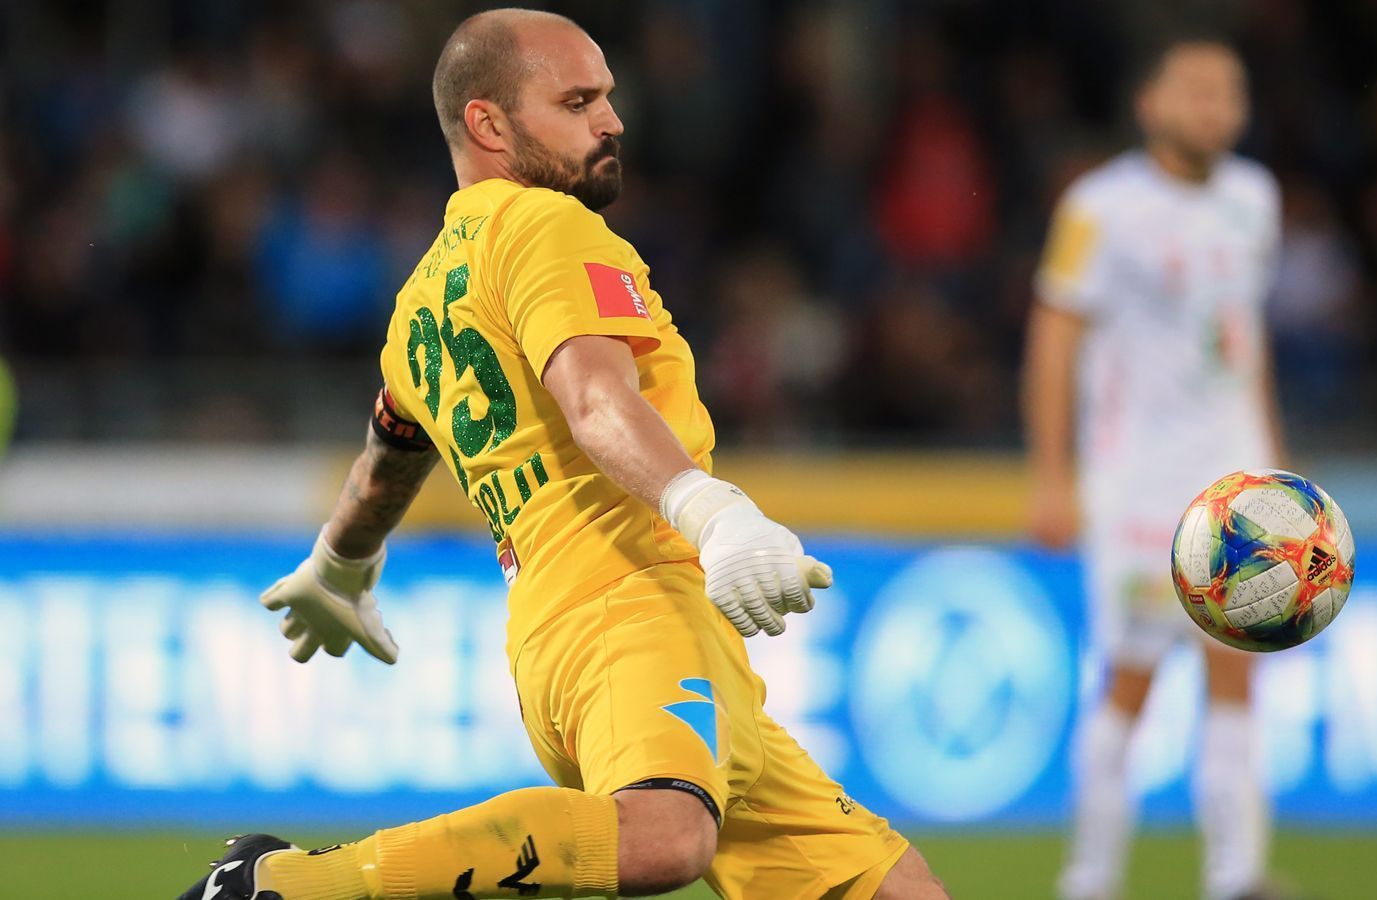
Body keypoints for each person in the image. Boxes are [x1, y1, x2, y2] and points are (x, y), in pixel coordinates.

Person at [180, 10, 945, 900]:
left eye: (608, 97)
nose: (611, 120)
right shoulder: (545, 226)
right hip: (633, 601)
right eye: (578, 101)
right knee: (665, 838)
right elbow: (594, 399)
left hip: (560, 627)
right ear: (489, 123)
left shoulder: (419, 303)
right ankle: (283, 887)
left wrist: (339, 562)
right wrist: (713, 509)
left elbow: (388, 455)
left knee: (892, 892)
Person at [1022, 35, 1285, 900]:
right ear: (1149, 104)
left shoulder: (1256, 197)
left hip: (1235, 481)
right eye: (1195, 90)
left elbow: (1247, 344)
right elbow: (1055, 340)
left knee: (1236, 672)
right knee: (1130, 679)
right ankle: (1088, 880)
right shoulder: (1100, 207)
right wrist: (1051, 478)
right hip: (1138, 483)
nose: (1214, 106)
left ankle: (1236, 876)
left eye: (1228, 91)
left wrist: (1273, 461)